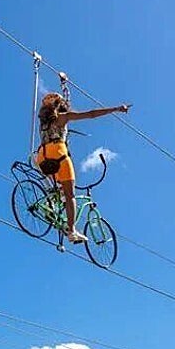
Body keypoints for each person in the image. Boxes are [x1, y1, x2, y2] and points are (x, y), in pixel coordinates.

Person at [36, 93, 130, 243]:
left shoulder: (43, 123)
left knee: (58, 188)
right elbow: (91, 114)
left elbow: (56, 103)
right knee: (70, 195)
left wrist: (63, 88)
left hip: (42, 156)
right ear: (60, 106)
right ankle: (72, 231)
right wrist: (116, 109)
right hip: (58, 153)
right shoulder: (63, 117)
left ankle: (51, 203)